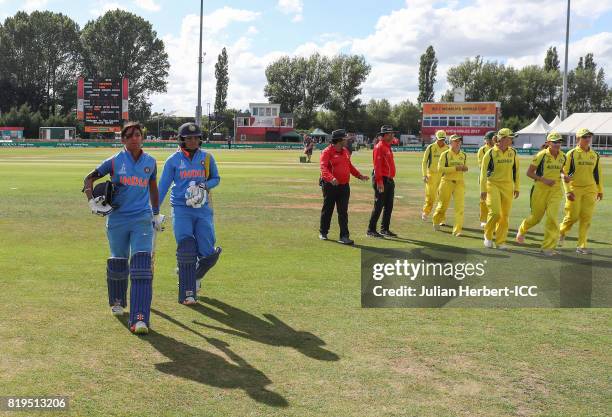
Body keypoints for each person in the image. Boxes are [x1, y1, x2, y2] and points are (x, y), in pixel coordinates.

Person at [82, 122, 165, 335]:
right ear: (123, 140)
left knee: (141, 266)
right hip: (117, 219)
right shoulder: (115, 161)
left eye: (137, 135)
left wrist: (156, 213)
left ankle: (139, 319)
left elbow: (153, 189)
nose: (134, 139)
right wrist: (91, 200)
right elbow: (89, 178)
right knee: (118, 260)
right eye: (129, 136)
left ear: (142, 138)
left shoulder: (150, 162)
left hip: (141, 219)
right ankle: (117, 300)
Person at [158, 122, 222, 305]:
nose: (193, 141)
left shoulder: (207, 158)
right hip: (181, 208)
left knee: (208, 251)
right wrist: (153, 211)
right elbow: (162, 187)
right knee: (186, 247)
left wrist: (205, 185)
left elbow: (216, 178)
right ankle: (188, 290)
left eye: (196, 137)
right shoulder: (173, 161)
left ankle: (193, 275)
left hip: (203, 209)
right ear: (182, 140)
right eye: (189, 138)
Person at [515, 132, 566, 255]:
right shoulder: (541, 155)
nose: (557, 144)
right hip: (540, 190)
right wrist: (544, 180)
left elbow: (561, 171)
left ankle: (548, 247)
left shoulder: (563, 156)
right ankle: (522, 229)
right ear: (548, 143)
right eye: (555, 142)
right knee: (536, 218)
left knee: (552, 217)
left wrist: (565, 176)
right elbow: (529, 173)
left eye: (559, 142)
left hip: (556, 191)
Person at [319, 129, 369, 245]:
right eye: (345, 139)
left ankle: (344, 236)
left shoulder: (346, 151)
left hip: (344, 186)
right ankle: (323, 232)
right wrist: (331, 178)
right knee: (328, 210)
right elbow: (323, 168)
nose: (347, 140)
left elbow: (349, 166)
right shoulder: (327, 152)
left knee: (343, 212)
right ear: (339, 140)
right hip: (330, 186)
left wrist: (360, 176)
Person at [559, 128, 604, 254]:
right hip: (575, 189)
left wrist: (599, 190)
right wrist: (568, 191)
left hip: (590, 189)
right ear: (578, 139)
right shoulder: (571, 154)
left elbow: (597, 174)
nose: (588, 139)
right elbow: (564, 173)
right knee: (572, 217)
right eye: (585, 137)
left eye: (589, 136)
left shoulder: (595, 155)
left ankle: (581, 245)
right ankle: (561, 232)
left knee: (586, 217)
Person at [480, 128, 520, 249]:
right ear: (502, 139)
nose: (512, 140)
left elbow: (516, 171)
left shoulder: (513, 152)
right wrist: (483, 190)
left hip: (508, 186)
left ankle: (500, 241)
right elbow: (483, 173)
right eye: (510, 138)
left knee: (504, 216)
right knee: (495, 213)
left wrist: (516, 187)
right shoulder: (490, 153)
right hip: (493, 185)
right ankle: (488, 236)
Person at [432, 134, 468, 236]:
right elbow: (440, 169)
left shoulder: (463, 155)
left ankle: (457, 230)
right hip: (446, 182)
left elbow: (465, 167)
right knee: (442, 206)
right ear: (450, 143)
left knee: (460, 208)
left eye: (459, 141)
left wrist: (465, 168)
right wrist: (455, 168)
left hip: (459, 183)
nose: (458, 143)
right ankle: (436, 219)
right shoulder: (445, 154)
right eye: (455, 141)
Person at [367, 125, 398, 238]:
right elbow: (377, 166)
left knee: (389, 206)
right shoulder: (379, 147)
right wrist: (379, 181)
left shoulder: (387, 146)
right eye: (391, 133)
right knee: (379, 205)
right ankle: (371, 230)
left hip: (389, 180)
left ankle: (384, 229)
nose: (393, 135)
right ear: (385, 135)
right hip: (382, 179)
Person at [421, 130, 449, 222]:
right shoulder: (431, 147)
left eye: (443, 139)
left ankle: (440, 217)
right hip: (431, 175)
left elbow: (449, 163)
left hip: (443, 176)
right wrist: (424, 175)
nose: (441, 141)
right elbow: (424, 162)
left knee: (442, 197)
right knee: (431, 197)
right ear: (436, 138)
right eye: (439, 139)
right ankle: (426, 212)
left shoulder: (447, 148)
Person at [477, 131, 496, 228]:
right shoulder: (482, 150)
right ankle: (483, 219)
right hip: (485, 177)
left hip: (496, 179)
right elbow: (481, 165)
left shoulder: (498, 149)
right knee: (483, 200)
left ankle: (493, 219)